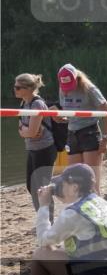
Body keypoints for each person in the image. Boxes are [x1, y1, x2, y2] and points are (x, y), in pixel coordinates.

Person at [56, 64, 107, 194]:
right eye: (64, 85)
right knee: (75, 182)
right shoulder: (62, 89)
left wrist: (106, 138)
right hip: (72, 134)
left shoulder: (90, 89)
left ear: (77, 78)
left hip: (90, 133)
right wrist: (61, 118)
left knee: (92, 184)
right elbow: (71, 114)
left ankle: (98, 213)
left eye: (70, 85)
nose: (67, 89)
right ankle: (80, 213)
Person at [14, 73, 56, 210]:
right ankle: (42, 216)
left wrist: (27, 131)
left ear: (28, 89)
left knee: (42, 187)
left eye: (18, 87)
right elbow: (22, 130)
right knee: (31, 185)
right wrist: (28, 132)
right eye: (15, 86)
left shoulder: (37, 104)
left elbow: (31, 132)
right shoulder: (24, 104)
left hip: (44, 149)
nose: (15, 89)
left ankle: (48, 220)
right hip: (32, 148)